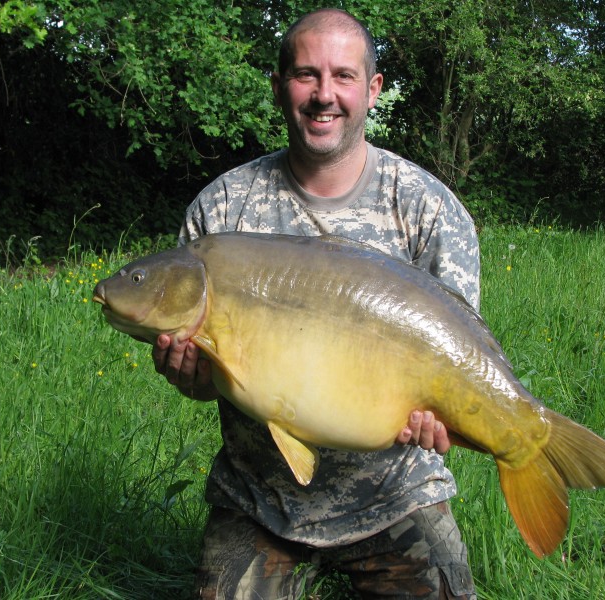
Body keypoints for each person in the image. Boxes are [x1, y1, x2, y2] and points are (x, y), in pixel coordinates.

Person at [151, 8, 479, 599]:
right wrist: (190, 377)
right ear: (279, 87)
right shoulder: (221, 210)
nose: (324, 94)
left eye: (343, 76)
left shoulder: (429, 208)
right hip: (261, 499)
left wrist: (443, 414)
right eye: (306, 74)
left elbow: (460, 355)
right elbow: (211, 382)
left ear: (372, 89)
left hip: (396, 494)